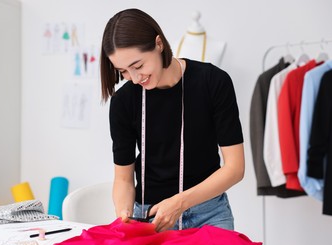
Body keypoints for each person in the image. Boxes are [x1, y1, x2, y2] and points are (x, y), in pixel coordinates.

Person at [100, 8, 244, 233]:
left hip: (209, 215)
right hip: (151, 218)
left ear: (158, 44)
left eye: (138, 66)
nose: (136, 78)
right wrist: (124, 214)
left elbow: (235, 168)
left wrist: (180, 203)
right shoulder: (123, 102)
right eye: (123, 72)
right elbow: (124, 180)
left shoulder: (214, 82)